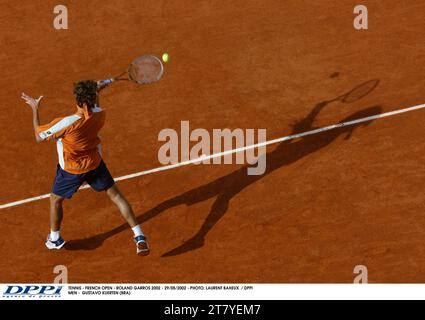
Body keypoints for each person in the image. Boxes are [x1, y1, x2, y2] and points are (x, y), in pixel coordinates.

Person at [21, 80, 149, 255]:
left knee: (55, 200)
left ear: (78, 100)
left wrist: (35, 108)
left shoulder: (66, 123)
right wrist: (97, 93)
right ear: (93, 99)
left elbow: (38, 136)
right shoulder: (100, 115)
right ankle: (139, 236)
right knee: (116, 196)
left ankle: (55, 238)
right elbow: (94, 109)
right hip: (95, 163)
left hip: (71, 171)